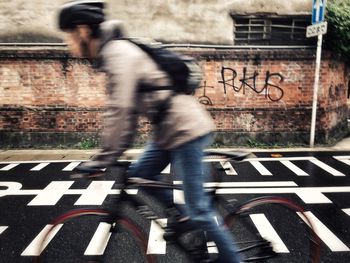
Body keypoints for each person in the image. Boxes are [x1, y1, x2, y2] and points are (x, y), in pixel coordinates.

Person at [57, 1, 240, 262]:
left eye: (69, 36)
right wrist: (109, 154)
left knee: (200, 211)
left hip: (186, 130)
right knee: (140, 173)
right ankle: (181, 215)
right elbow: (125, 113)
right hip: (167, 130)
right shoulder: (113, 54)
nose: (69, 45)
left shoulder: (119, 54)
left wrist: (104, 158)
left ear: (83, 31)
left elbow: (120, 111)